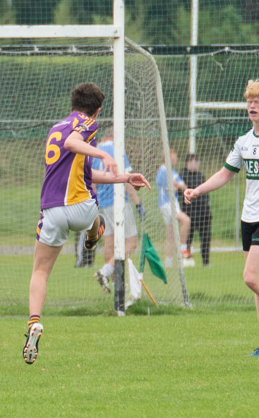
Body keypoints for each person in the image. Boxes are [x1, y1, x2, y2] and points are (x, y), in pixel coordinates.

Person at [23, 83, 149, 364]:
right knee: (94, 217)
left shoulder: (56, 127)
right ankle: (95, 230)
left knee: (40, 272)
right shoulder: (88, 123)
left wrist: (125, 176)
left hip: (52, 211)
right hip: (82, 209)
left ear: (73, 102)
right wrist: (105, 154)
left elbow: (82, 169)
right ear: (98, 110)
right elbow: (74, 145)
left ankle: (34, 321)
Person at [184, 80, 259, 357]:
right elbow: (225, 174)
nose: (252, 105)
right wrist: (198, 189)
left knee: (251, 277)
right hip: (248, 217)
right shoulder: (244, 140)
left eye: (258, 101)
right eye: (249, 101)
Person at [91, 136, 144, 292]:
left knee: (110, 242)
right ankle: (105, 272)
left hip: (102, 203)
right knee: (131, 242)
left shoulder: (95, 152)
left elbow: (91, 181)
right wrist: (137, 202)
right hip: (118, 202)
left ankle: (115, 285)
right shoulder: (117, 149)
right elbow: (127, 179)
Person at [157, 148, 192, 267]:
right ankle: (183, 249)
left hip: (173, 203)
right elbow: (172, 187)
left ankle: (168, 262)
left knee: (170, 234)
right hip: (166, 204)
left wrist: (176, 185)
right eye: (174, 157)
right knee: (186, 220)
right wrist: (176, 185)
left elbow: (183, 186)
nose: (176, 159)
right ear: (168, 158)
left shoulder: (172, 172)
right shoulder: (162, 171)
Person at [181, 153, 213, 267]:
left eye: (197, 162)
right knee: (188, 238)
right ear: (188, 163)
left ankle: (206, 262)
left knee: (206, 237)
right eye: (193, 162)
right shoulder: (182, 175)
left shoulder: (201, 176)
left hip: (203, 212)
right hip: (190, 212)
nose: (196, 164)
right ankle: (186, 259)